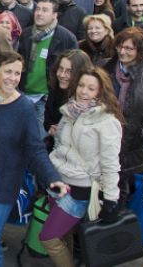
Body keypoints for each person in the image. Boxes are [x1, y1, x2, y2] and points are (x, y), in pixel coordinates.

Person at [0, 52, 69, 267]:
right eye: (8, 71)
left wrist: (51, 177)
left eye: (17, 73)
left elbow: (35, 149)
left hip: (4, 182)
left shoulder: (24, 107)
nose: (13, 78)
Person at [40, 68, 124, 266]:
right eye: (81, 85)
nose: (84, 91)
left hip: (79, 190)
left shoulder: (107, 122)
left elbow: (111, 164)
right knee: (62, 235)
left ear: (101, 93)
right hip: (57, 182)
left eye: (91, 88)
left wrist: (111, 198)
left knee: (48, 238)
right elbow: (60, 145)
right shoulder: (69, 112)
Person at [102, 27, 143, 206]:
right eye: (121, 46)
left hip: (131, 145)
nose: (123, 51)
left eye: (129, 48)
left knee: (121, 193)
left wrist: (142, 132)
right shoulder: (103, 67)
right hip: (101, 139)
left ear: (140, 51)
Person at [18, 0, 78, 136]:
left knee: (39, 140)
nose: (39, 13)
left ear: (54, 15)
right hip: (24, 95)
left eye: (45, 10)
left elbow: (75, 69)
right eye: (37, 9)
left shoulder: (66, 38)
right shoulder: (26, 34)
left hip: (46, 98)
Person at [43, 49, 93, 138]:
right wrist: (50, 127)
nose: (62, 75)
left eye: (69, 71)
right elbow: (47, 120)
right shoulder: (55, 91)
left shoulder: (88, 100)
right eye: (60, 69)